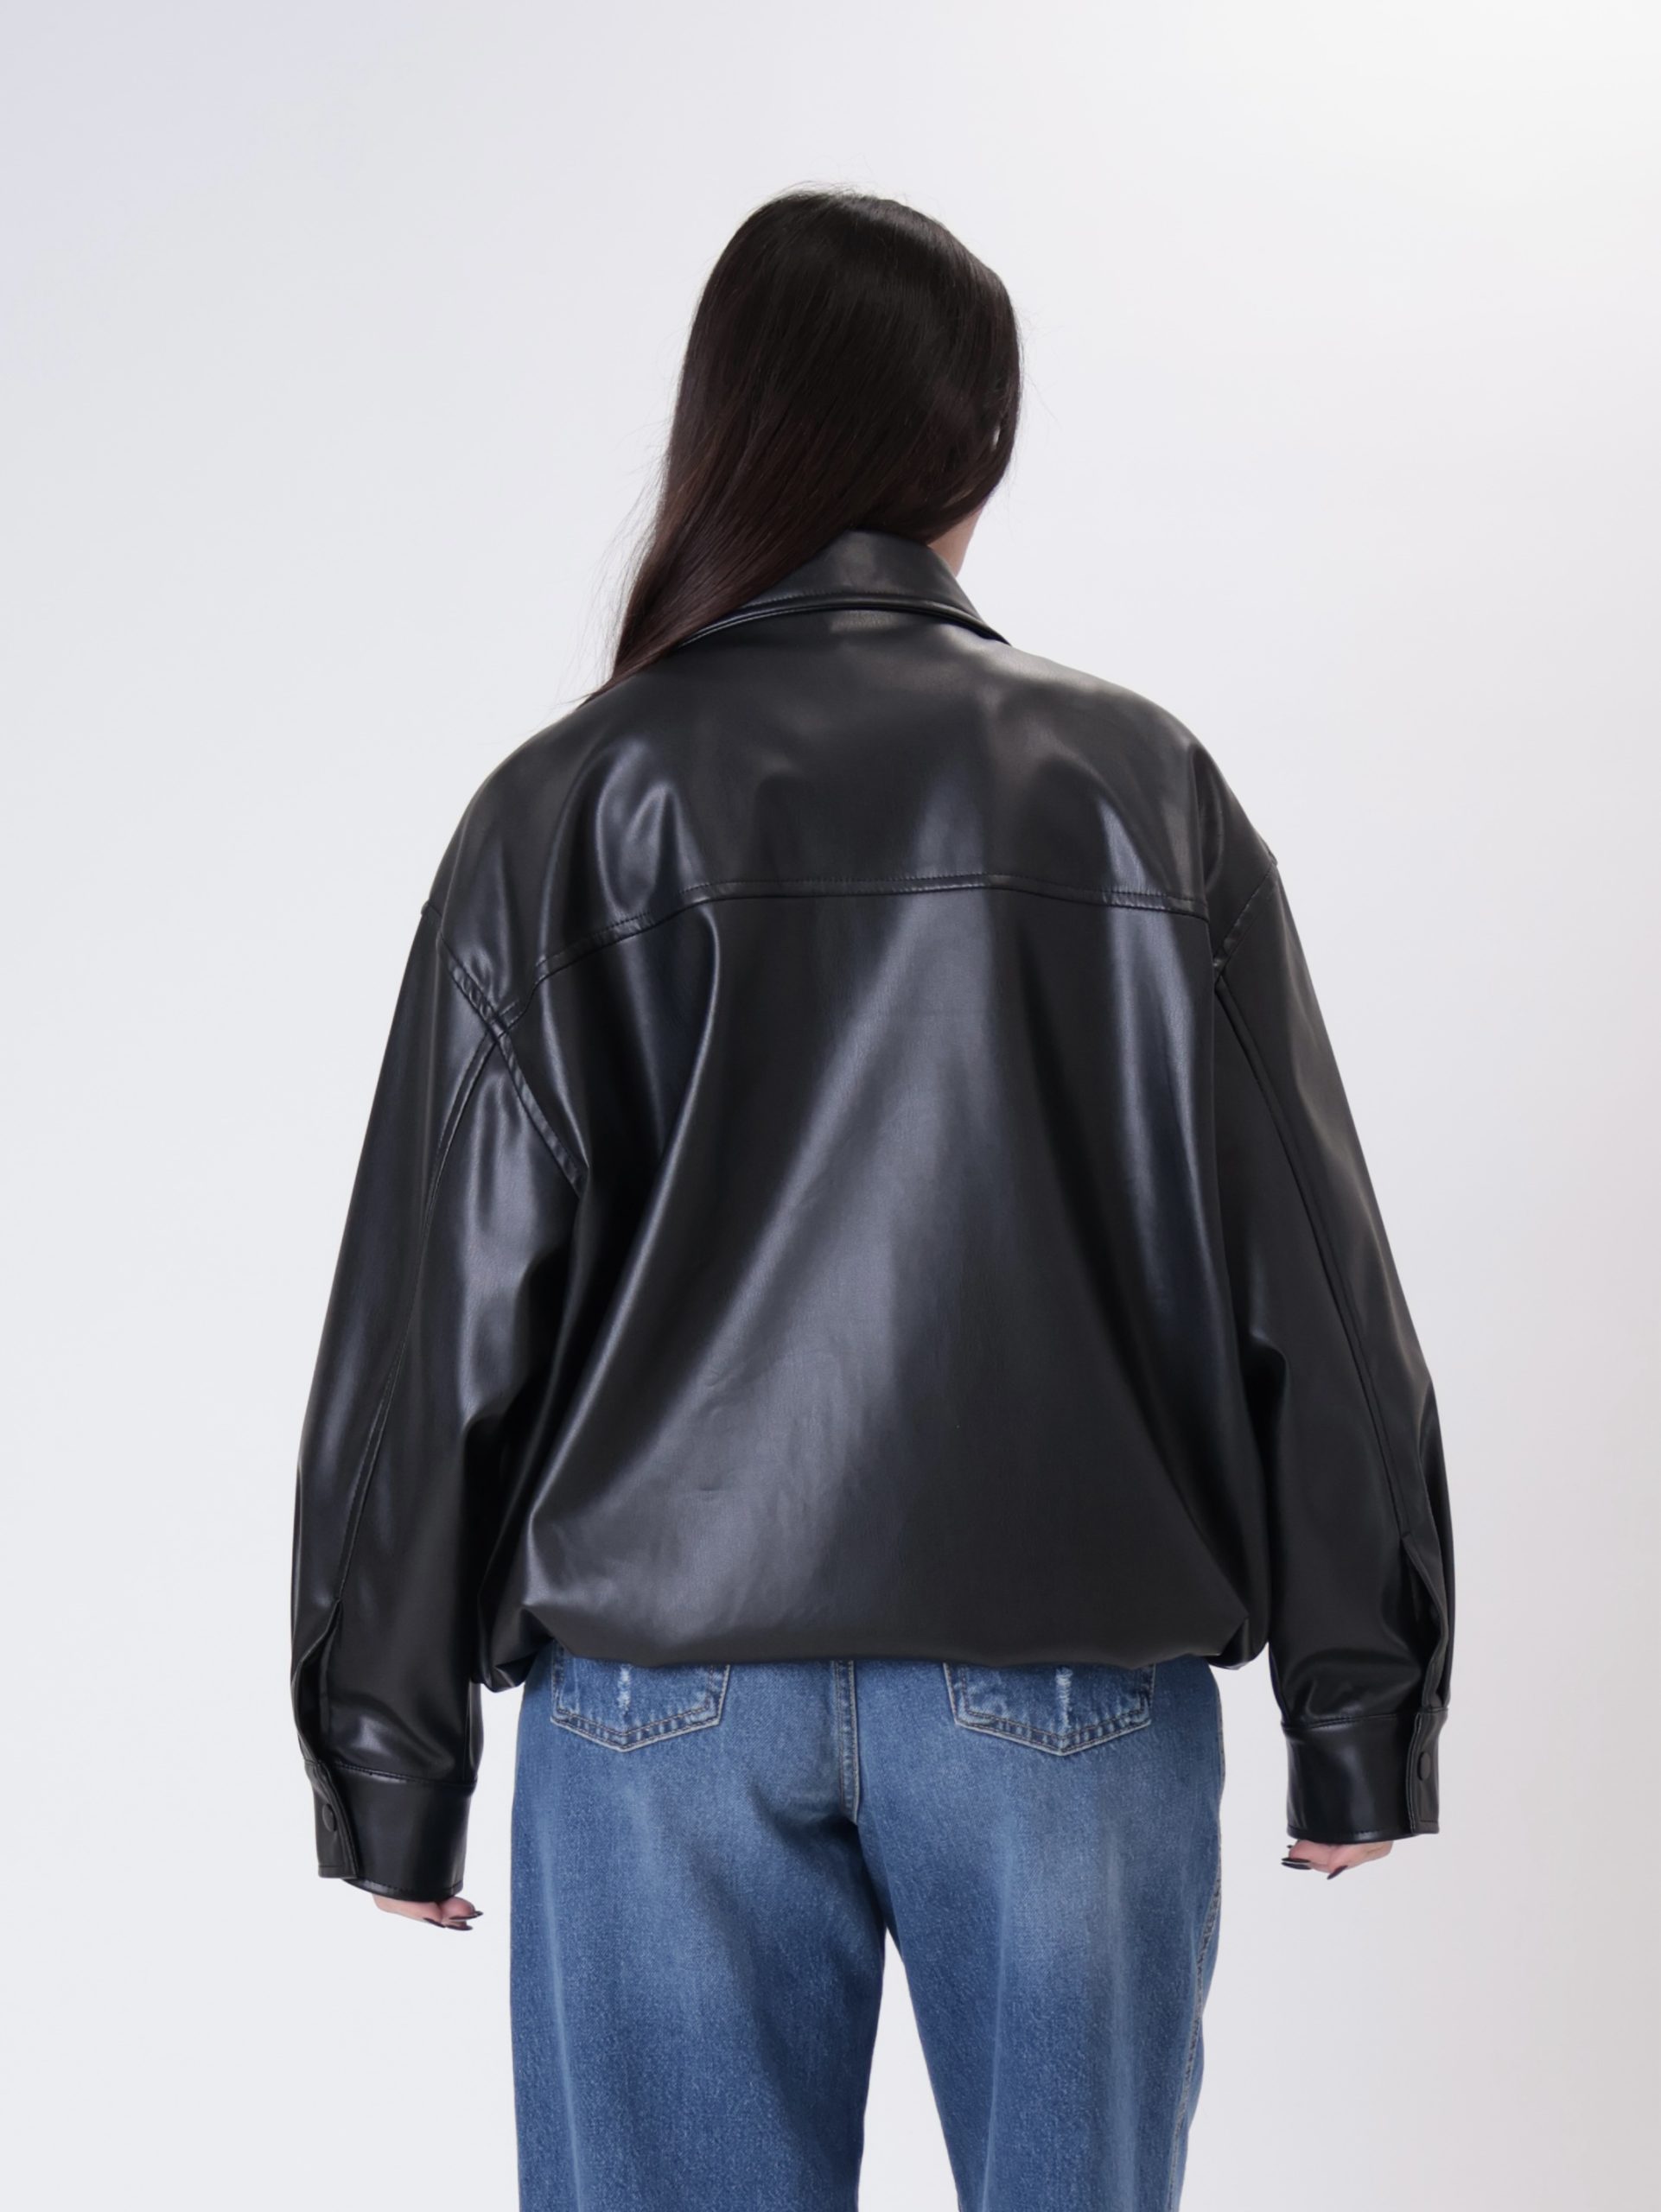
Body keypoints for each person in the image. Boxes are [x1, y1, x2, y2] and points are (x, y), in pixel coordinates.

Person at [290, 187, 1454, 2212]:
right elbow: (1309, 1271)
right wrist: (1359, 1696)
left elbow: (433, 1310)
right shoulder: (1134, 787)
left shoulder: (564, 802)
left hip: (655, 1700)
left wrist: (389, 1753)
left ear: (721, 428)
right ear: (974, 448)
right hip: (1064, 1668)